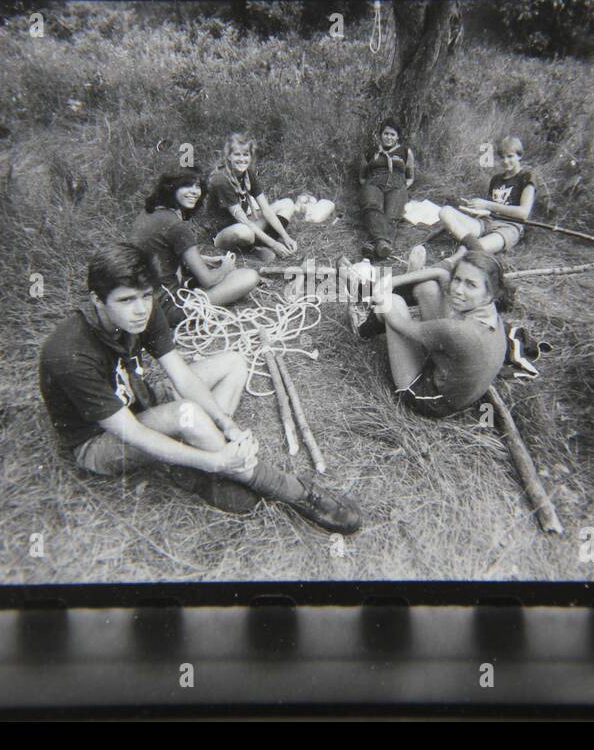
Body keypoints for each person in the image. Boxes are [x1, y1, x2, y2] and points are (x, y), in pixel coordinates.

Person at [38, 242, 360, 532]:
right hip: (100, 441)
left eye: (145, 296)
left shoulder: (142, 310)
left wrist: (226, 423)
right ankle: (294, 491)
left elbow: (183, 376)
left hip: (138, 399)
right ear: (97, 300)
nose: (139, 309)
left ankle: (195, 460)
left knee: (233, 362)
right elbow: (130, 433)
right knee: (187, 414)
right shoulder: (69, 353)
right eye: (125, 300)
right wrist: (215, 462)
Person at [366, 250, 510, 418]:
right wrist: (393, 281)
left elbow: (401, 324)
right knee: (427, 288)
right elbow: (441, 273)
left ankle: (364, 327)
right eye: (457, 279)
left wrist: (380, 296)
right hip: (454, 380)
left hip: (429, 400)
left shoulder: (457, 330)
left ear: (488, 295)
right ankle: (388, 300)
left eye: (470, 285)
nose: (458, 290)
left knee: (393, 302)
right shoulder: (490, 311)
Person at [130, 166, 261, 327]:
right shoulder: (176, 226)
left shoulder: (148, 213)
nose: (194, 191)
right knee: (249, 276)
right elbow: (207, 280)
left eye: (197, 186)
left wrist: (205, 260)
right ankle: (195, 304)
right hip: (170, 309)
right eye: (186, 185)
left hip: (143, 301)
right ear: (170, 188)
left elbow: (162, 255)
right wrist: (226, 268)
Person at [437, 135, 536, 264]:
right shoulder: (496, 179)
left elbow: (523, 213)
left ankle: (450, 262)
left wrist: (487, 205)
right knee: (445, 211)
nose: (506, 161)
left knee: (472, 249)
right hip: (486, 222)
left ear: (519, 156)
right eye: (503, 157)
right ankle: (471, 247)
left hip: (508, 227)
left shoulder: (526, 176)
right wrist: (477, 209)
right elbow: (490, 209)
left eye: (510, 156)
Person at [204, 132, 298, 263]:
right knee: (244, 232)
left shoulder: (248, 173)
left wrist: (286, 236)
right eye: (237, 154)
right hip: (225, 232)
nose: (242, 159)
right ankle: (256, 247)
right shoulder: (221, 179)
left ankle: (258, 244)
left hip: (245, 222)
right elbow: (243, 220)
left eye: (245, 154)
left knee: (287, 203)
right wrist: (274, 244)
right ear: (229, 157)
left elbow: (266, 209)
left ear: (250, 156)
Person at [358, 118, 416, 261]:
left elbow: (410, 177)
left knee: (392, 214)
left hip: (397, 185)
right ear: (380, 135)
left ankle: (375, 243)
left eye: (392, 134)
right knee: (371, 206)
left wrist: (403, 187)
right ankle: (383, 244)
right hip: (373, 183)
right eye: (386, 134)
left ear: (397, 137)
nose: (389, 137)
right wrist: (369, 187)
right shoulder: (370, 152)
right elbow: (362, 177)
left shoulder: (406, 152)